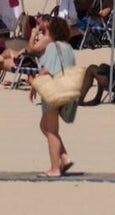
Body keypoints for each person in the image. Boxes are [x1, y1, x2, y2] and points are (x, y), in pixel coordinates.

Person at [30, 16, 77, 177]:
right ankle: (64, 157)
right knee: (44, 126)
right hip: (67, 90)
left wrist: (34, 85)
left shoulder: (52, 47)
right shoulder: (69, 48)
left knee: (51, 131)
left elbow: (46, 69)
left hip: (53, 90)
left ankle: (54, 168)